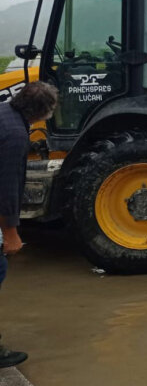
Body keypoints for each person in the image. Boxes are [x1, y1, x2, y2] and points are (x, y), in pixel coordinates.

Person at [0, 81, 58, 368]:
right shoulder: (13, 136)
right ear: (41, 111)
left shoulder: (3, 114)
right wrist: (11, 233)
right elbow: (7, 188)